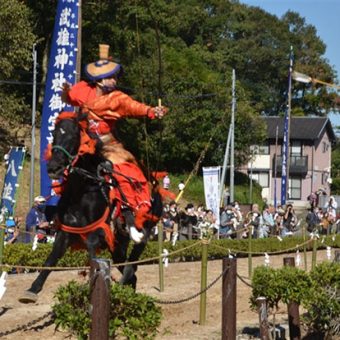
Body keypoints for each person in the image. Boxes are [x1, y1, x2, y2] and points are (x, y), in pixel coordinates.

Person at [62, 44, 168, 243]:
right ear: (100, 80)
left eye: (115, 77)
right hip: (84, 143)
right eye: (111, 77)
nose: (115, 80)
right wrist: (66, 93)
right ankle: (63, 214)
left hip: (108, 146)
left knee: (128, 173)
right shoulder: (84, 90)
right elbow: (70, 97)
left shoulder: (117, 98)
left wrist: (152, 111)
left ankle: (129, 216)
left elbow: (134, 107)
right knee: (64, 164)